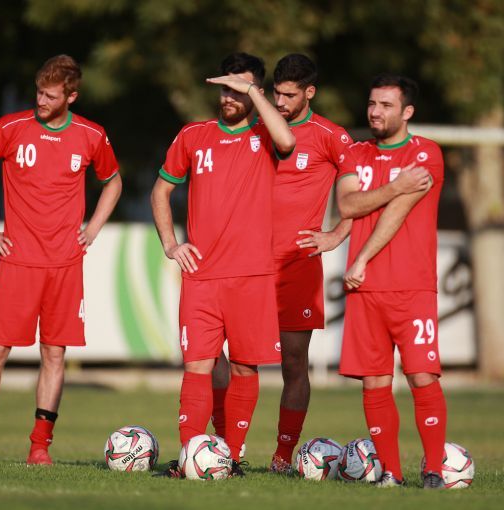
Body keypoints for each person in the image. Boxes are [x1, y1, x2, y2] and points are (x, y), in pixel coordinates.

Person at [208, 54, 431, 473]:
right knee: (228, 357)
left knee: (294, 362)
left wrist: (335, 234)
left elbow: (359, 194)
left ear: (309, 93)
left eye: (290, 95)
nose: (281, 102)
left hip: (297, 264)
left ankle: (282, 455)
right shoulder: (257, 128)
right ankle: (225, 449)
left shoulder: (332, 136)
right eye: (277, 94)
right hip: (245, 262)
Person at [0, 55, 122, 465]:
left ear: (71, 96)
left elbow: (114, 182)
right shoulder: (10, 127)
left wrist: (93, 228)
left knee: (54, 355)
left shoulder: (91, 135)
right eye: (39, 93)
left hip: (65, 265)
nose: (41, 101)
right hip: (18, 262)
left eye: (50, 95)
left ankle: (40, 447)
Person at [151, 52, 295, 477]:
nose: (229, 96)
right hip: (201, 275)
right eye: (225, 88)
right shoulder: (193, 135)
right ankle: (189, 456)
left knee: (244, 366)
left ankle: (228, 456)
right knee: (197, 365)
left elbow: (288, 142)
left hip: (252, 275)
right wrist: (171, 244)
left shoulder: (265, 134)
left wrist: (253, 91)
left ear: (255, 92)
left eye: (238, 89)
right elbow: (160, 191)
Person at [336, 73, 446, 489]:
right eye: (372, 103)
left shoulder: (426, 152)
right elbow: (348, 204)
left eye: (385, 105)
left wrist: (362, 256)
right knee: (374, 382)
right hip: (365, 289)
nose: (375, 111)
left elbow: (399, 210)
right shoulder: (356, 152)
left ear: (407, 112)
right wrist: (395, 184)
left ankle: (433, 470)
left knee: (422, 375)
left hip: (412, 286)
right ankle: (391, 473)